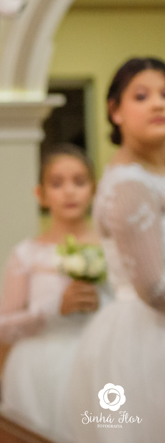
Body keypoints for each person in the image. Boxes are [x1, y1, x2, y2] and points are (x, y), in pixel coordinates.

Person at [69, 57, 165, 442]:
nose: (158, 103)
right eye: (141, 96)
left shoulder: (151, 177)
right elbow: (156, 288)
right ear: (115, 110)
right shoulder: (128, 186)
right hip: (149, 334)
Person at [0, 144, 103, 438]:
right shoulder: (26, 255)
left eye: (79, 182)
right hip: (37, 369)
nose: (69, 192)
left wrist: (102, 304)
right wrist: (55, 309)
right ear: (40, 194)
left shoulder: (111, 249)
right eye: (57, 183)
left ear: (94, 189)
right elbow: (3, 328)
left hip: (96, 362)